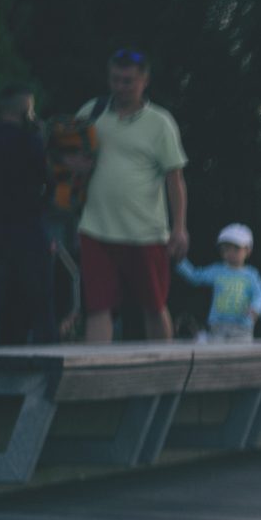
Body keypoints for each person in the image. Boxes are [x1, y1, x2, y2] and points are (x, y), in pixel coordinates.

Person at [76, 48, 189, 343]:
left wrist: (178, 228)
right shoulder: (92, 112)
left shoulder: (160, 122)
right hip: (96, 227)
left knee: (154, 305)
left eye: (128, 81)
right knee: (98, 308)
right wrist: (75, 165)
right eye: (115, 80)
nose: (121, 87)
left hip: (145, 232)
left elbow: (174, 178)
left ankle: (163, 376)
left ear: (144, 81)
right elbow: (66, 162)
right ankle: (97, 380)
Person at [0, 84, 54, 345]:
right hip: (28, 229)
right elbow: (48, 183)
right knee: (39, 301)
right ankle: (46, 359)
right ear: (26, 110)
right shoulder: (31, 142)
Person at [175, 224, 261, 342]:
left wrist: (256, 309)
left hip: (243, 327)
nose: (231, 253)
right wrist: (180, 262)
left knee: (241, 356)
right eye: (226, 248)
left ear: (248, 250)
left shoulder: (252, 274)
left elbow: (259, 294)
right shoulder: (217, 271)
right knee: (217, 357)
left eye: (236, 248)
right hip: (218, 325)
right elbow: (196, 277)